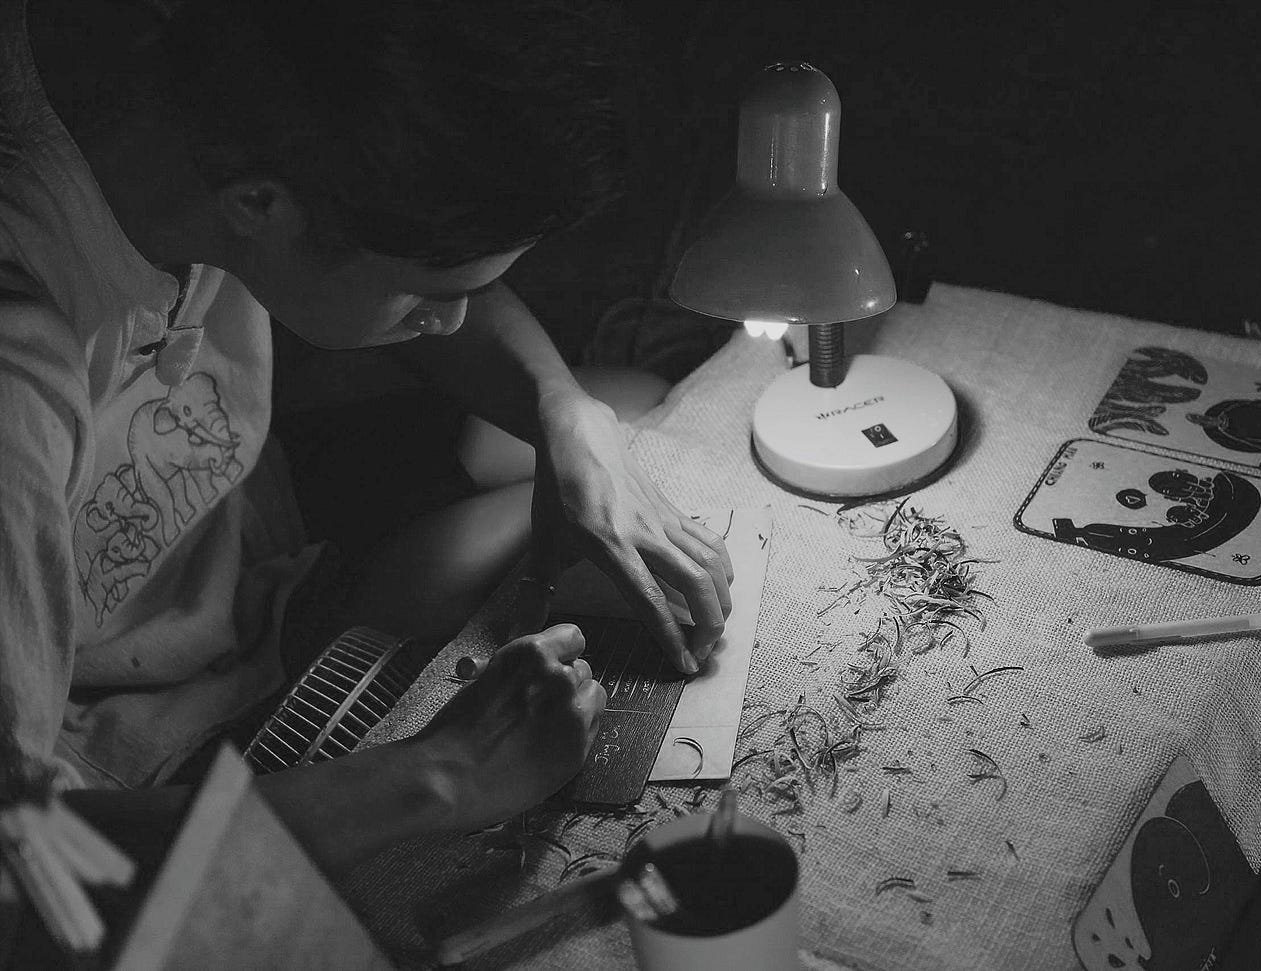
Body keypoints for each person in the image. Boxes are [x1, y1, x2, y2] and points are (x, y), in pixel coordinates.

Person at [0, 0, 733, 876]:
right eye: (432, 293)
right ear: (262, 205)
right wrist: (439, 776)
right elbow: (23, 855)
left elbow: (401, 244)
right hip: (128, 773)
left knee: (637, 419)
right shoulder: (23, 367)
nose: (454, 318)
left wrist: (561, 409)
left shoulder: (216, 111)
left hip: (261, 601)